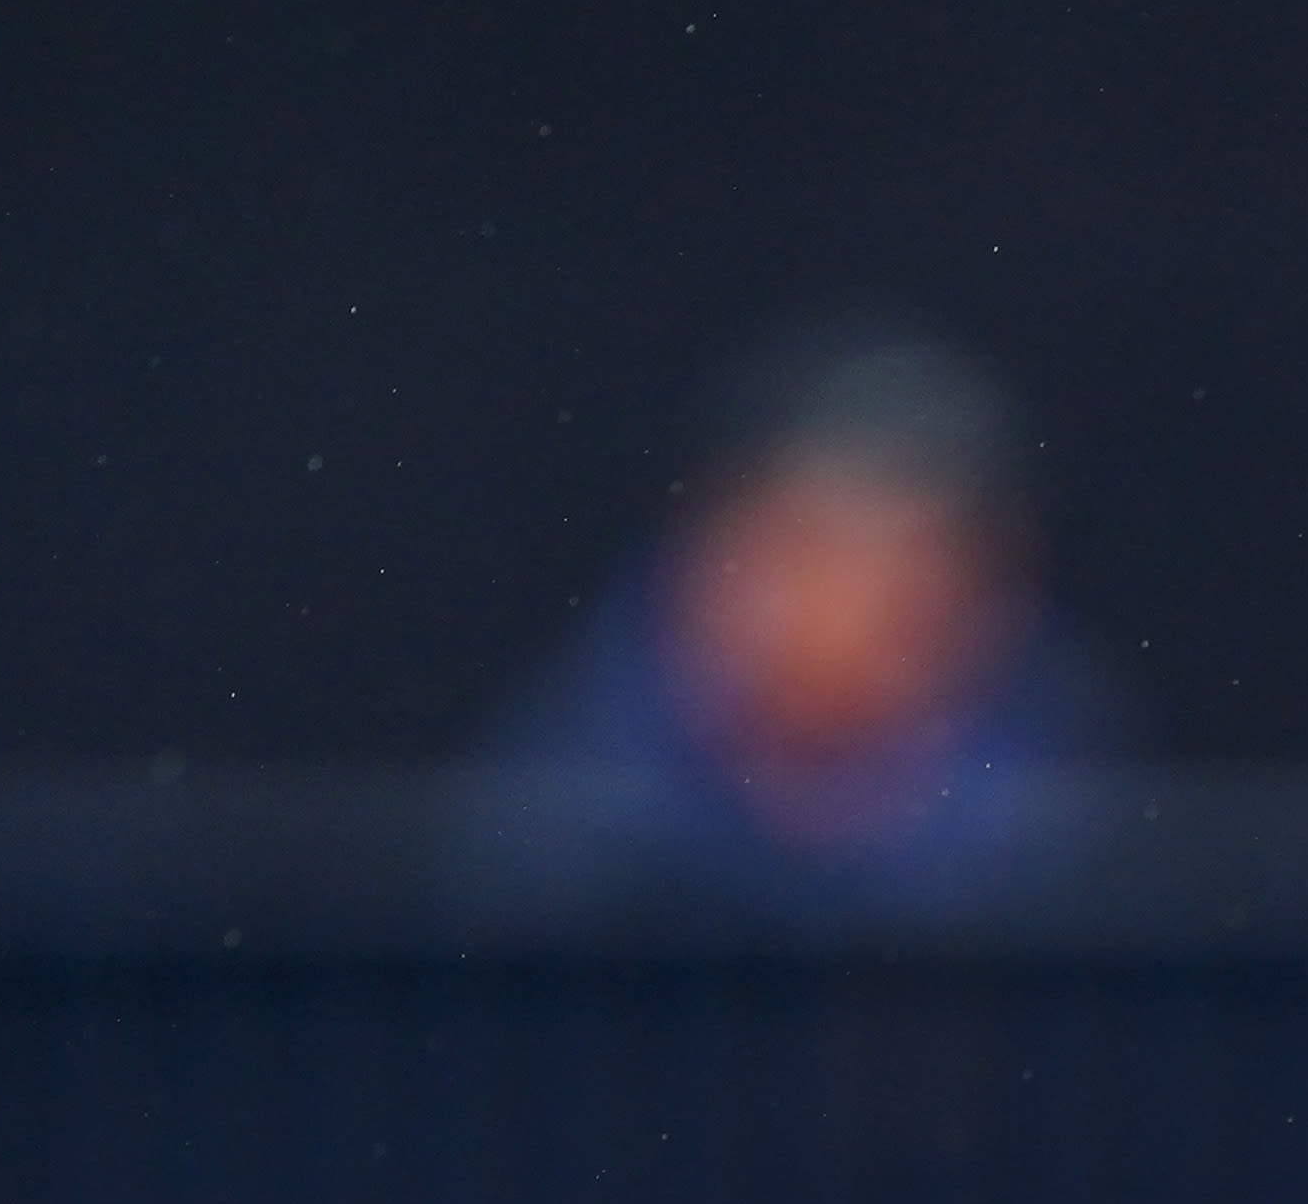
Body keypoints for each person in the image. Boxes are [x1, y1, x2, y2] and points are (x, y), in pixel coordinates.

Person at [462, 330, 1105, 917]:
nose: (840, 611)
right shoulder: (553, 818)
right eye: (806, 554)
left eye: (901, 576)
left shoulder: (1072, 822)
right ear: (700, 560)